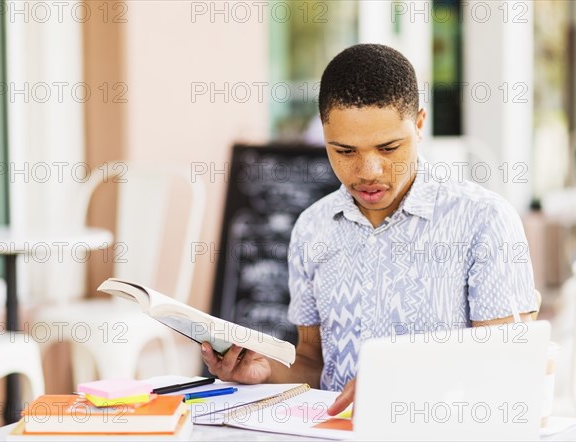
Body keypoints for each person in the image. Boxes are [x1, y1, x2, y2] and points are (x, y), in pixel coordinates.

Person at [201, 43, 538, 415]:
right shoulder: (313, 228)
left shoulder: (483, 221)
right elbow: (313, 360)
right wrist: (266, 372)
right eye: (344, 151)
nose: (368, 171)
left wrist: (402, 383)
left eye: (389, 147)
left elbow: (503, 368)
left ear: (420, 125)